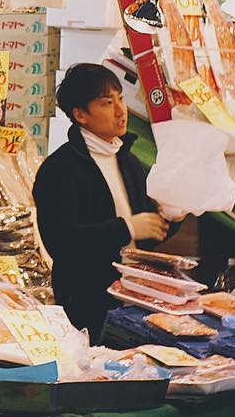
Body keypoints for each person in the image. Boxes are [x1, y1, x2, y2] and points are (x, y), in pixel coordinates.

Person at [33, 62, 177, 340]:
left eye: (120, 99)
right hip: (88, 305)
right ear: (81, 115)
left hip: (138, 301)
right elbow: (62, 242)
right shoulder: (59, 169)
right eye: (107, 103)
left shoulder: (128, 160)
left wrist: (170, 217)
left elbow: (147, 237)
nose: (121, 111)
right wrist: (128, 228)